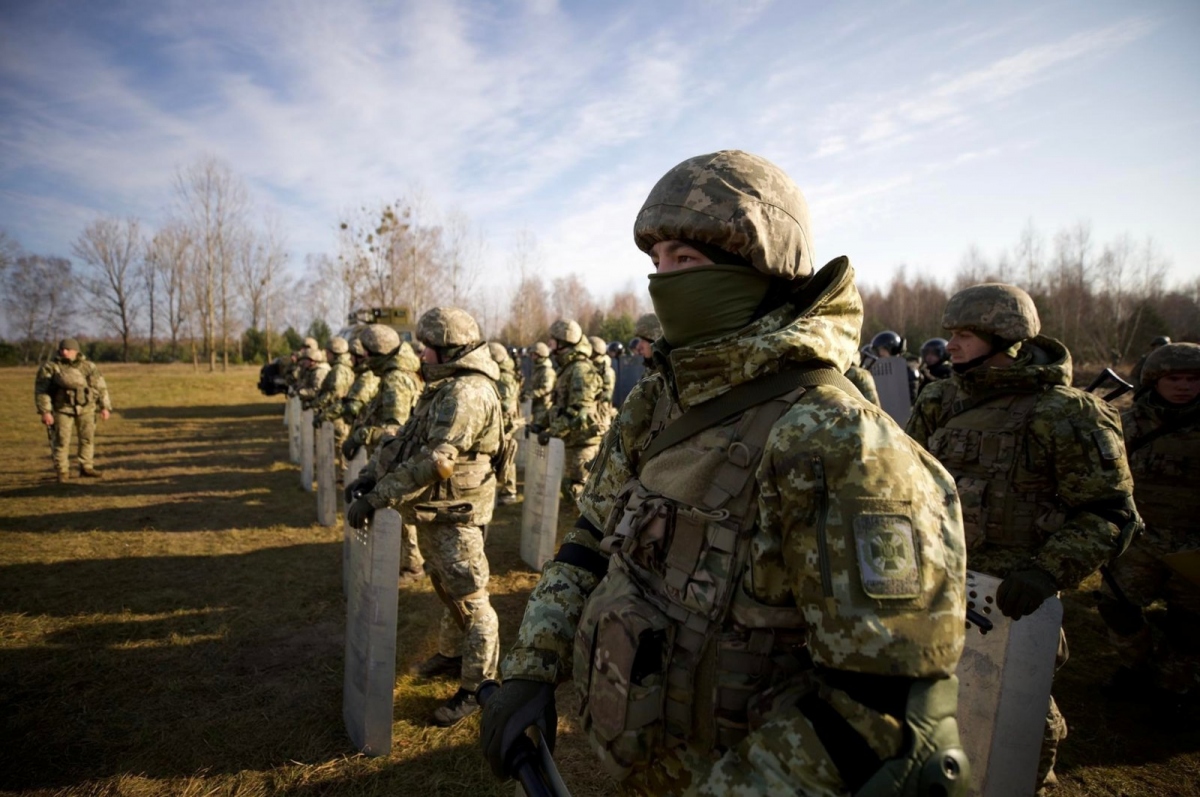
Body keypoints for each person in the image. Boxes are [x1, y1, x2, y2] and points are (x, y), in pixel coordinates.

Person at [482, 150, 969, 796]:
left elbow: (880, 720)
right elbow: (591, 538)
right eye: (656, 261)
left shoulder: (837, 441)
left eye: (685, 260)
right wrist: (532, 663)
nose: (662, 281)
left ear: (761, 267)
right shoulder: (657, 403)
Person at [906, 283, 1140, 793]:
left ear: (1006, 338)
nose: (952, 344)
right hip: (939, 584)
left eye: (965, 334)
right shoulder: (939, 398)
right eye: (951, 334)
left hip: (1015, 597)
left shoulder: (1067, 413)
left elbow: (1110, 513)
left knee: (1018, 715)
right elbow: (907, 485)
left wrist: (1046, 571)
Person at [344, 307, 503, 727]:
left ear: (448, 349)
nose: (419, 351)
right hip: (437, 510)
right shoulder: (445, 386)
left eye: (427, 345)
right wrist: (369, 475)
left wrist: (379, 497)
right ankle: (453, 657)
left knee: (471, 598)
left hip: (458, 512)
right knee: (447, 588)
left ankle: (479, 686)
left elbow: (435, 462)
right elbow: (406, 441)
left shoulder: (467, 393)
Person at [1098, 342, 1200, 704]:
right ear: (1154, 380)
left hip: (1193, 543)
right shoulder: (1127, 424)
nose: (1184, 385)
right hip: (1138, 538)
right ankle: (1136, 666)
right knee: (1116, 606)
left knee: (1189, 624)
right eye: (1175, 377)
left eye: (1192, 378)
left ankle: (1175, 687)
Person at [343, 324, 426, 585]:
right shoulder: (398, 373)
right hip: (394, 455)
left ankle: (412, 566)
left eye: (367, 353)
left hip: (395, 456)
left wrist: (361, 436)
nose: (363, 359)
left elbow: (395, 429)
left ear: (377, 353)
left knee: (397, 509)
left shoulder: (395, 379)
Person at [541, 320, 604, 500]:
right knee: (570, 488)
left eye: (552, 340)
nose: (549, 345)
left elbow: (579, 411)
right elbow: (560, 405)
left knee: (579, 489)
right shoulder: (569, 368)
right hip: (573, 439)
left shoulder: (580, 369)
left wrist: (553, 431)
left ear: (564, 341)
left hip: (583, 441)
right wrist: (540, 424)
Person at [35, 337, 112, 483]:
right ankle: (62, 471)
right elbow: (41, 390)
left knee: (87, 439)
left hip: (87, 408)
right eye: (62, 349)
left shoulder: (88, 366)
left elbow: (100, 387)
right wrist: (45, 411)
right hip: (62, 409)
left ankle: (86, 467)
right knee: (61, 440)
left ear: (76, 351)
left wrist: (105, 407)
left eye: (68, 349)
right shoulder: (50, 368)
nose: (64, 352)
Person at [312, 336, 356, 468]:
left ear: (333, 353)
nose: (326, 356)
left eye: (328, 353)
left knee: (340, 447)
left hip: (339, 416)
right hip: (340, 413)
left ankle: (343, 478)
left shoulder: (339, 370)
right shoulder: (343, 368)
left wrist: (318, 403)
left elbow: (335, 393)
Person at [489, 341, 521, 505]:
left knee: (506, 458)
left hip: (505, 424)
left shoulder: (504, 377)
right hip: (503, 423)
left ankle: (509, 491)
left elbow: (506, 405)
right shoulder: (502, 373)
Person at [872, 330, 920, 403]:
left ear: (893, 349)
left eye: (883, 349)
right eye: (879, 350)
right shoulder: (879, 369)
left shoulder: (908, 370)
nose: (880, 353)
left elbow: (911, 397)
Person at [520, 341, 556, 430]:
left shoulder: (547, 371)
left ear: (541, 355)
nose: (532, 358)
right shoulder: (538, 370)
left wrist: (530, 395)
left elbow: (546, 388)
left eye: (534, 355)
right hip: (536, 408)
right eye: (531, 355)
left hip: (544, 409)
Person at [294, 346, 330, 411]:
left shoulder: (320, 372)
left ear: (313, 361)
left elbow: (316, 391)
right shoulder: (311, 370)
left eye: (306, 359)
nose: (303, 361)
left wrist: (300, 392)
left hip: (318, 407)